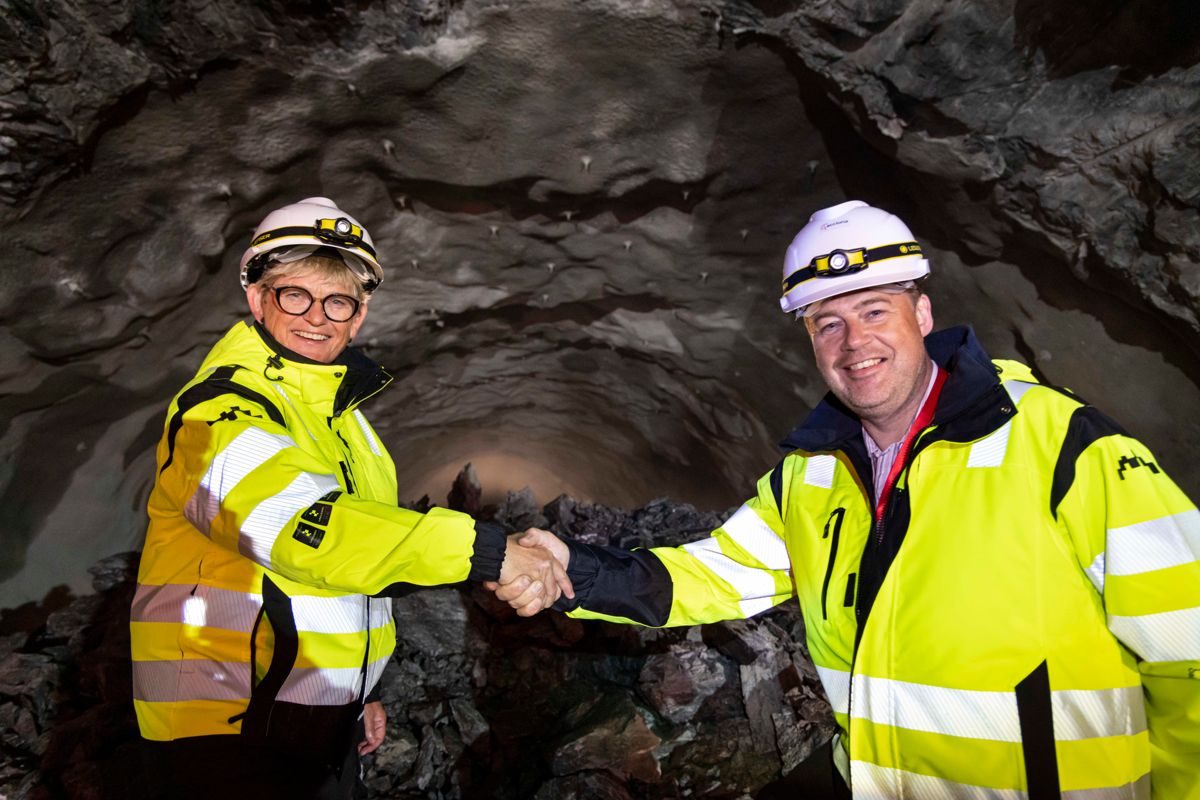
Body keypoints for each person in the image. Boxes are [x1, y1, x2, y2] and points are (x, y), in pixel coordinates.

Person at [493, 200, 1200, 798]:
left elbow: (1189, 647)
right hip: (874, 778)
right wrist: (572, 568)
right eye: (827, 323)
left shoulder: (1061, 445)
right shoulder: (814, 474)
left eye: (874, 310)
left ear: (921, 314)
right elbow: (714, 575)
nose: (853, 341)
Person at [130, 197, 570, 799]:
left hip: (311, 724)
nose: (318, 316)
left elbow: (358, 569)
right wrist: (487, 551)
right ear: (257, 299)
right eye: (295, 295)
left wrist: (357, 696)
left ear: (358, 317)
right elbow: (308, 532)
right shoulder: (218, 413)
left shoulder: (348, 428)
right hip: (225, 734)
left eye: (338, 301)